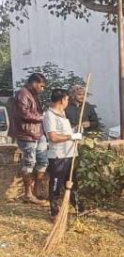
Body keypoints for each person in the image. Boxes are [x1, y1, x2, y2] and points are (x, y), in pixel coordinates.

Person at [43, 89, 83, 220]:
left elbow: (64, 131)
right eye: (66, 99)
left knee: (72, 182)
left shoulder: (62, 113)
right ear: (61, 100)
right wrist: (71, 136)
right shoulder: (50, 115)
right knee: (56, 184)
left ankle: (77, 207)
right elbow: (53, 137)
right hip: (58, 156)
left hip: (70, 153)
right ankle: (54, 211)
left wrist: (75, 131)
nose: (67, 102)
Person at [9, 73, 48, 204]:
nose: (42, 89)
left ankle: (37, 191)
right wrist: (42, 117)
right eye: (41, 86)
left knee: (43, 162)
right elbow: (23, 114)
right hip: (27, 134)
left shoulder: (33, 95)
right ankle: (28, 194)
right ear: (34, 82)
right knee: (29, 163)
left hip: (38, 133)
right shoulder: (22, 93)